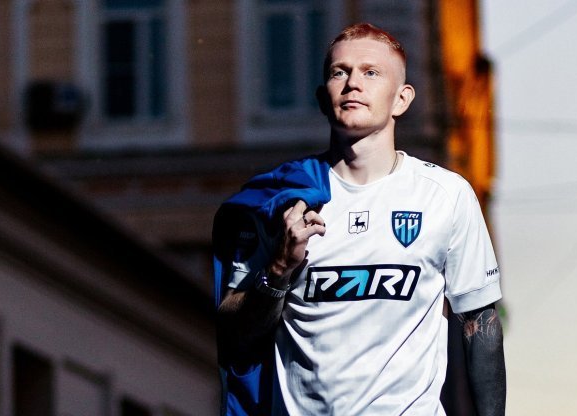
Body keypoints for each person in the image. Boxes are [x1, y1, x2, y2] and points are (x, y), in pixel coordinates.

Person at [214, 22, 505, 415]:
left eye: (370, 72)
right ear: (323, 98)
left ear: (401, 99)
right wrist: (279, 269)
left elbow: (480, 322)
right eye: (340, 72)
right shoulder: (282, 199)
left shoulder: (445, 195)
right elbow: (233, 339)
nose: (353, 83)